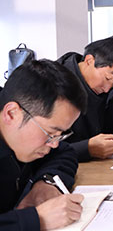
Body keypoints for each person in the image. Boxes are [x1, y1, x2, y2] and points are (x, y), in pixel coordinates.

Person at [0, 60, 87, 230]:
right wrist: (36, 219)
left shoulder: (25, 140)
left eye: (60, 135)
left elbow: (64, 152)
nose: (54, 144)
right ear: (12, 114)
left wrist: (46, 183)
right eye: (50, 133)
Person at [58, 36, 113, 162]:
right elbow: (44, 150)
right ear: (89, 60)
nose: (107, 89)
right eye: (108, 78)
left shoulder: (96, 85)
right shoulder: (54, 85)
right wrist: (86, 148)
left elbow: (110, 129)